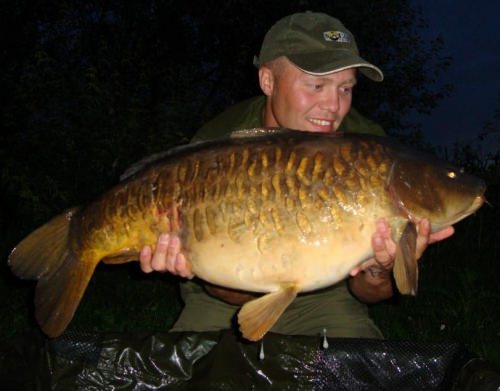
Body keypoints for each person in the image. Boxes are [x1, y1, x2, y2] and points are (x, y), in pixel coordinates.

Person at [139, 11, 454, 338]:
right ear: (268, 81)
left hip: (323, 294)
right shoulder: (218, 142)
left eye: (345, 89)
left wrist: (380, 267)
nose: (333, 106)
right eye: (317, 85)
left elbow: (371, 292)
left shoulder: (368, 147)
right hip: (222, 296)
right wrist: (189, 260)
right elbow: (226, 284)